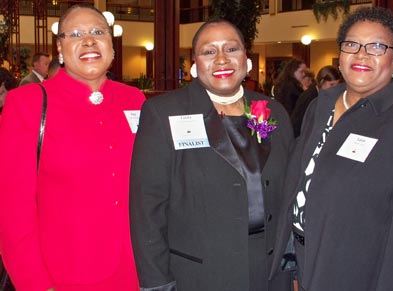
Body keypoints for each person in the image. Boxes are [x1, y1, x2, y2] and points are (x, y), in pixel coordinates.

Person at [270, 6, 393, 291]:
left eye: (377, 46)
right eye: (352, 44)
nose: (362, 54)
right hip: (296, 262)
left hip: (356, 273)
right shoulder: (321, 105)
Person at [130, 19, 294, 291]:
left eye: (231, 49)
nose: (222, 59)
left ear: (246, 59)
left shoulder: (270, 110)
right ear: (194, 63)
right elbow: (147, 209)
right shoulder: (164, 113)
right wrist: (157, 282)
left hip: (268, 270)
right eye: (209, 51)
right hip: (200, 274)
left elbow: (288, 190)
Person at [0, 4, 145, 291]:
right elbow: (13, 210)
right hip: (64, 274)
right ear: (59, 48)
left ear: (111, 45)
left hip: (135, 269)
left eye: (97, 32)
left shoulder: (135, 100)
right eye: (76, 34)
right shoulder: (27, 103)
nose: (89, 41)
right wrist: (36, 285)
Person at [291, 65, 342, 137]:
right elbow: (298, 123)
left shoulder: (321, 95)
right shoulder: (309, 97)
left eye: (337, 85)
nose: (335, 89)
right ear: (321, 82)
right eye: (331, 85)